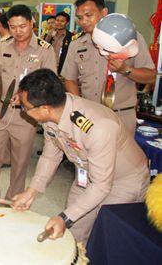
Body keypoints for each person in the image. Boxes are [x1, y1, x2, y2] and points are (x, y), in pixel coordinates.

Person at [12, 68, 150, 244]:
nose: (23, 110)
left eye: (25, 107)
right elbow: (50, 156)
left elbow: (101, 185)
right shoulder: (51, 116)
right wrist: (31, 192)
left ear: (45, 108)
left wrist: (64, 217)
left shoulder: (98, 127)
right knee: (74, 232)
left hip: (123, 182)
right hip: (86, 174)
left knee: (106, 238)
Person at [0, 4, 57, 211]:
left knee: (20, 162)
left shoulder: (45, 50)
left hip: (26, 116)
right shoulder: (3, 46)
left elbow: (49, 84)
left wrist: (27, 99)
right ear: (8, 25)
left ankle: (12, 200)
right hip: (0, 111)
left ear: (32, 23)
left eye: (23, 26)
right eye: (14, 26)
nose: (18, 31)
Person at [61, 0, 155, 134]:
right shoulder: (77, 44)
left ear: (104, 13)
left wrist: (125, 69)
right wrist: (80, 106)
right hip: (89, 115)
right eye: (80, 18)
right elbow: (69, 79)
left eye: (89, 15)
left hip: (121, 115)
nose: (84, 21)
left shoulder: (129, 37)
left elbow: (151, 77)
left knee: (121, 156)